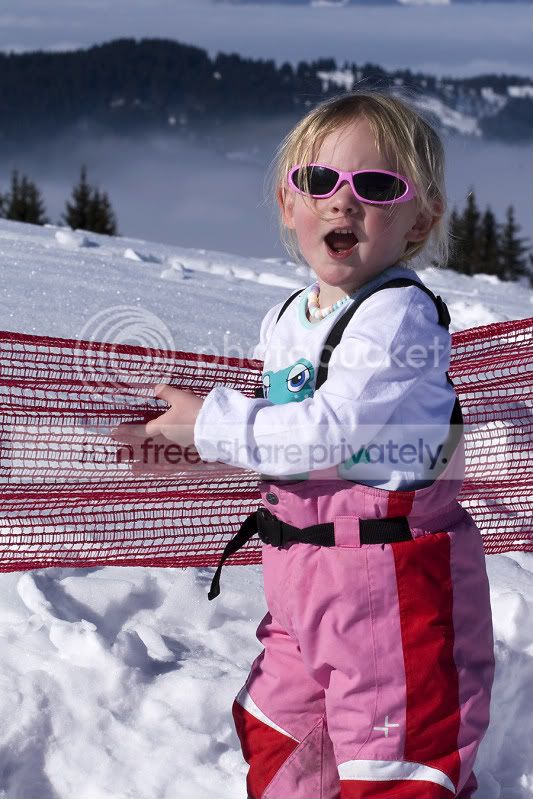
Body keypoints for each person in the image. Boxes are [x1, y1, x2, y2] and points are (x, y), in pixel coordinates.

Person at [117, 92, 495, 799]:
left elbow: (330, 430)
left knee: (393, 764)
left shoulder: (399, 315)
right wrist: (188, 439)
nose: (340, 203)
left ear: (423, 218)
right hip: (300, 579)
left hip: (386, 583)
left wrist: (211, 425)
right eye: (317, 181)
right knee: (279, 732)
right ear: (288, 202)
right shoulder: (290, 315)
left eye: (375, 186)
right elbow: (291, 431)